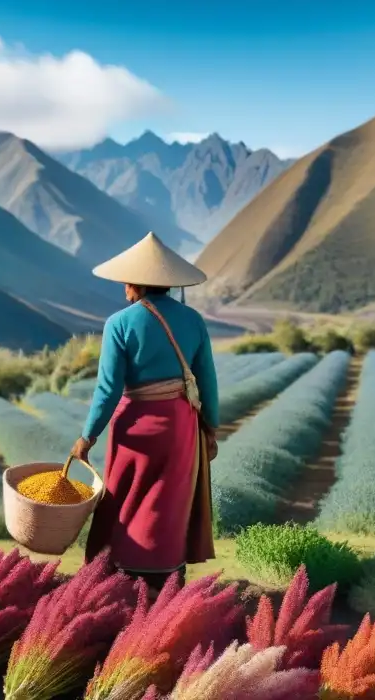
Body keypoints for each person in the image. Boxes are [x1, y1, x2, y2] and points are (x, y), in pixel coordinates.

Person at [70, 232, 220, 590]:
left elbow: (108, 389)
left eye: (127, 280)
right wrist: (211, 428)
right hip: (181, 425)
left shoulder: (119, 324)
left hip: (133, 426)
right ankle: (169, 575)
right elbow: (208, 382)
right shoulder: (194, 320)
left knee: (127, 498)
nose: (124, 287)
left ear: (138, 281)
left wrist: (87, 436)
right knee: (170, 498)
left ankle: (123, 572)